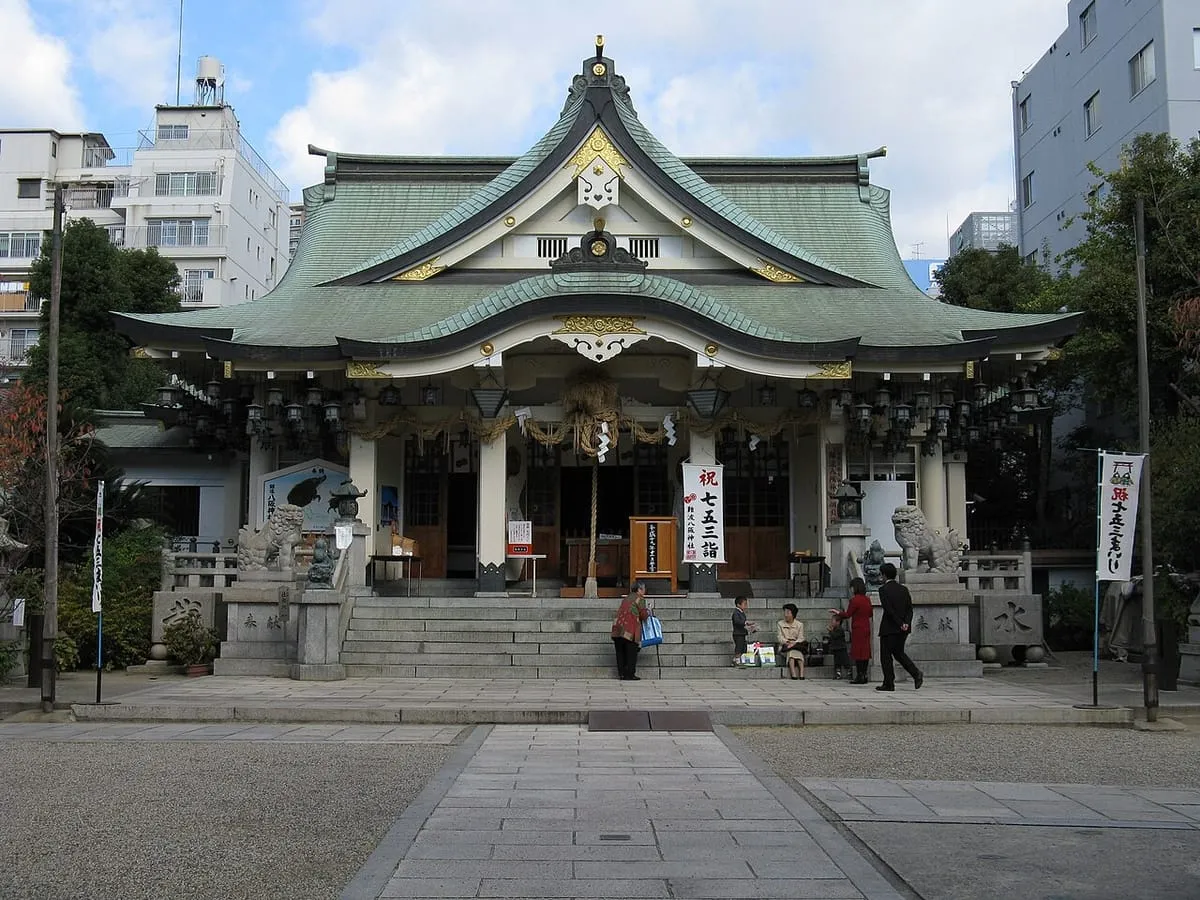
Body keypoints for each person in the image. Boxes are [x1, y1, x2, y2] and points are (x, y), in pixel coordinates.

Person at [875, 563, 924, 691]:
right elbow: (910, 609)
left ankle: (889, 683)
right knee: (898, 653)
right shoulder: (903, 589)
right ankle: (916, 673)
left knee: (886, 656)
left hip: (889, 628)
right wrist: (905, 623)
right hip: (903, 629)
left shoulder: (883, 590)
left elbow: (889, 610)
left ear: (884, 575)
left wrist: (899, 623)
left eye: (881, 574)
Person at [833, 576, 874, 684]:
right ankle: (864, 674)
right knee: (865, 652)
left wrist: (838, 613)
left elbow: (848, 614)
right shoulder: (867, 599)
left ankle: (859, 675)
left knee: (858, 652)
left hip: (857, 627)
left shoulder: (854, 600)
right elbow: (870, 613)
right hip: (866, 627)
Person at [611, 579, 650, 680]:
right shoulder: (640, 599)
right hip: (630, 629)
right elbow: (643, 614)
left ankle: (622, 674)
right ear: (639, 589)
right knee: (631, 652)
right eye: (644, 588)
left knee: (620, 652)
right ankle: (630, 674)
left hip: (617, 628)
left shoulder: (626, 598)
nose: (645, 591)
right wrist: (648, 612)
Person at [776, 602, 806, 679]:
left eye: (788, 612)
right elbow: (780, 637)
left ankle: (799, 674)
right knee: (791, 651)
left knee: (795, 651)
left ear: (793, 614)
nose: (786, 615)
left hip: (796, 645)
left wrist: (794, 643)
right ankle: (795, 674)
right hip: (785, 646)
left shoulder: (799, 624)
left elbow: (801, 637)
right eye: (785, 612)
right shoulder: (780, 624)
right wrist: (787, 642)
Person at [731, 596, 757, 664]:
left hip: (741, 633)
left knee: (742, 647)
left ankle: (737, 660)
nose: (746, 606)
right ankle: (736, 660)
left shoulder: (741, 613)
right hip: (738, 634)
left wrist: (750, 628)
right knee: (739, 647)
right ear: (738, 604)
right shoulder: (736, 613)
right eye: (744, 604)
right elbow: (737, 621)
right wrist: (746, 623)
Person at [825, 613, 851, 679]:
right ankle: (838, 674)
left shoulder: (840, 629)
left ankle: (849, 672)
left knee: (845, 661)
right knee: (837, 662)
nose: (831, 623)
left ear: (838, 622)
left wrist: (830, 631)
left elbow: (835, 636)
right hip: (836, 648)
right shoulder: (834, 629)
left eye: (833, 621)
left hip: (841, 648)